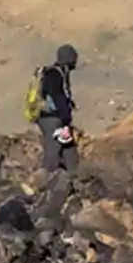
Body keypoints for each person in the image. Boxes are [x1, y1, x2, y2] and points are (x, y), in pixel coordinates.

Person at [37, 44, 80, 174]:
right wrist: (66, 116)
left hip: (56, 118)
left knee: (69, 150)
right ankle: (46, 182)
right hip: (52, 119)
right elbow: (57, 98)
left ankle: (74, 177)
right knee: (53, 152)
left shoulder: (60, 73)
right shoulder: (54, 74)